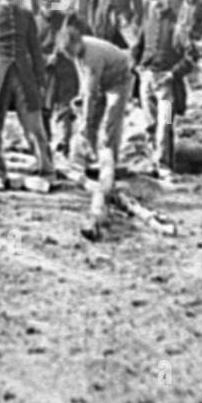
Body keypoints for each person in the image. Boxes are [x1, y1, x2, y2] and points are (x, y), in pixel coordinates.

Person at [57, 15, 134, 239]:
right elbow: (86, 83)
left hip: (124, 81)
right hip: (133, 79)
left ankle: (160, 158)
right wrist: (82, 102)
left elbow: (91, 91)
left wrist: (85, 115)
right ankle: (88, 157)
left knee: (113, 120)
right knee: (91, 122)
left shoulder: (91, 54)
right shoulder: (77, 52)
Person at [0, 0, 55, 183]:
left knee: (34, 123)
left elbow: (35, 49)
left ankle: (46, 169)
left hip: (24, 75)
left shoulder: (26, 17)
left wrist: (41, 80)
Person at [131, 0, 198, 174]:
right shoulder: (148, 21)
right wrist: (135, 66)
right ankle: (153, 161)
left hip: (167, 83)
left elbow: (191, 56)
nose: (157, 2)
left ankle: (165, 165)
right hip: (146, 79)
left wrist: (172, 74)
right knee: (150, 124)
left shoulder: (179, 24)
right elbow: (137, 47)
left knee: (165, 123)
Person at [35, 0, 79, 155]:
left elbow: (80, 39)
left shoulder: (66, 20)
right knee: (43, 110)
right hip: (44, 73)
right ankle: (44, 145)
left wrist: (74, 18)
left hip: (65, 71)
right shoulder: (33, 23)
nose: (48, 5)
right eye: (45, 1)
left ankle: (63, 144)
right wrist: (46, 59)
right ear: (39, 3)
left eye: (52, 1)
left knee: (65, 109)